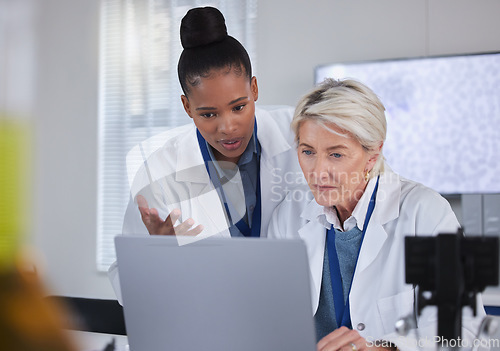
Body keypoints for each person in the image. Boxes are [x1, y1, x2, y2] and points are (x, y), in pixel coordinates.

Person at [267, 78, 485, 351]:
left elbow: (463, 330)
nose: (318, 171)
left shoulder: (424, 212)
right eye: (308, 151)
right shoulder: (288, 215)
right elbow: (272, 320)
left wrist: (383, 349)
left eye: (336, 155)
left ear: (373, 154)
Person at [109, 6, 304, 302]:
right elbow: (126, 287)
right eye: (208, 114)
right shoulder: (159, 171)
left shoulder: (299, 136)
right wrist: (155, 258)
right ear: (187, 107)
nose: (228, 127)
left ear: (254, 89)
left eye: (239, 107)